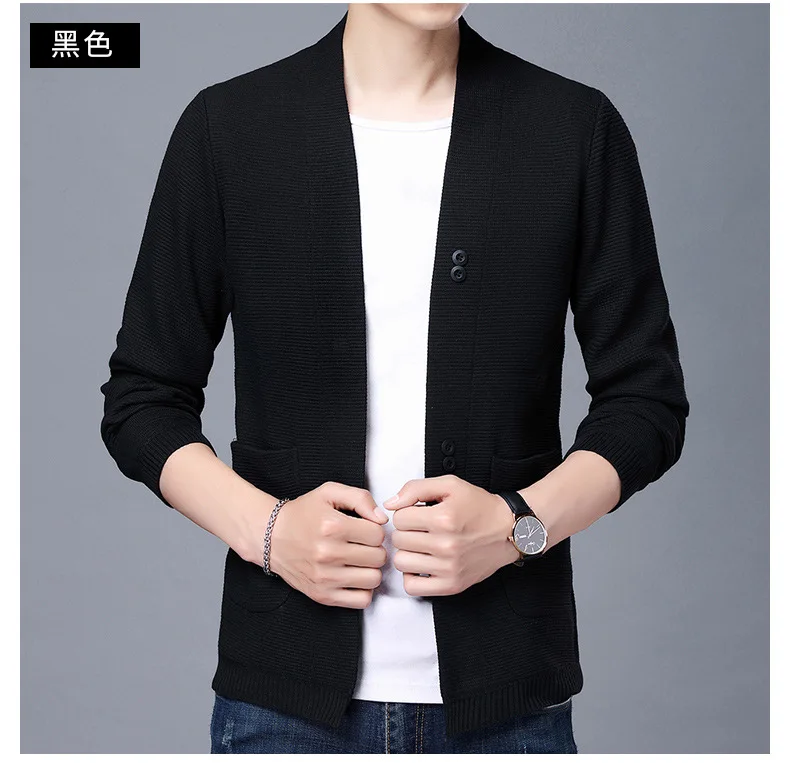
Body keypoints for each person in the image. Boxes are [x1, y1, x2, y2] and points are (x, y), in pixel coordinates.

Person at [99, 3, 689, 754]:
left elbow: (645, 400)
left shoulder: (572, 128)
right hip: (283, 707)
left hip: (510, 707)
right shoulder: (230, 128)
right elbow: (143, 398)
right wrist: (269, 533)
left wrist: (518, 527)